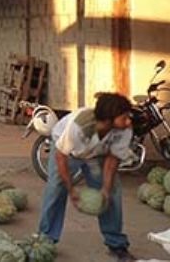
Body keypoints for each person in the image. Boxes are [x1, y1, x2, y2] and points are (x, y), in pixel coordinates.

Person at [37, 92, 135, 262]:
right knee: (55, 189)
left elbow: (112, 160)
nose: (129, 121)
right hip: (69, 151)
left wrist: (105, 189)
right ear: (109, 118)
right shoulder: (79, 126)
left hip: (97, 155)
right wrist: (71, 189)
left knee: (112, 194)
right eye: (124, 117)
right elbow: (61, 156)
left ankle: (117, 245)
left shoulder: (124, 130)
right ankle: (45, 239)